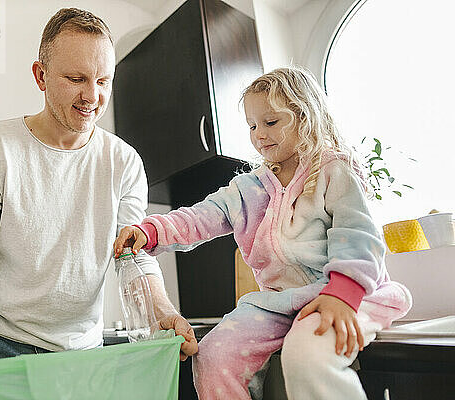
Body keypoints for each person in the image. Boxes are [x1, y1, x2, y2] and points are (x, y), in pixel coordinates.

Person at [0, 8, 197, 400]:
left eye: (102, 80)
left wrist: (162, 312)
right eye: (76, 79)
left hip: (80, 356)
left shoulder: (123, 161)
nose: (92, 97)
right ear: (41, 76)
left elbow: (132, 254)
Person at [114, 66, 412, 400]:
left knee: (308, 351)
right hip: (278, 305)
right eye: (252, 125)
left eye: (271, 123)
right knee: (213, 354)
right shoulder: (248, 189)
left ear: (304, 118)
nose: (259, 134)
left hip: (346, 293)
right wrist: (151, 230)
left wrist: (343, 292)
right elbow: (200, 217)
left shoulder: (333, 170)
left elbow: (359, 234)